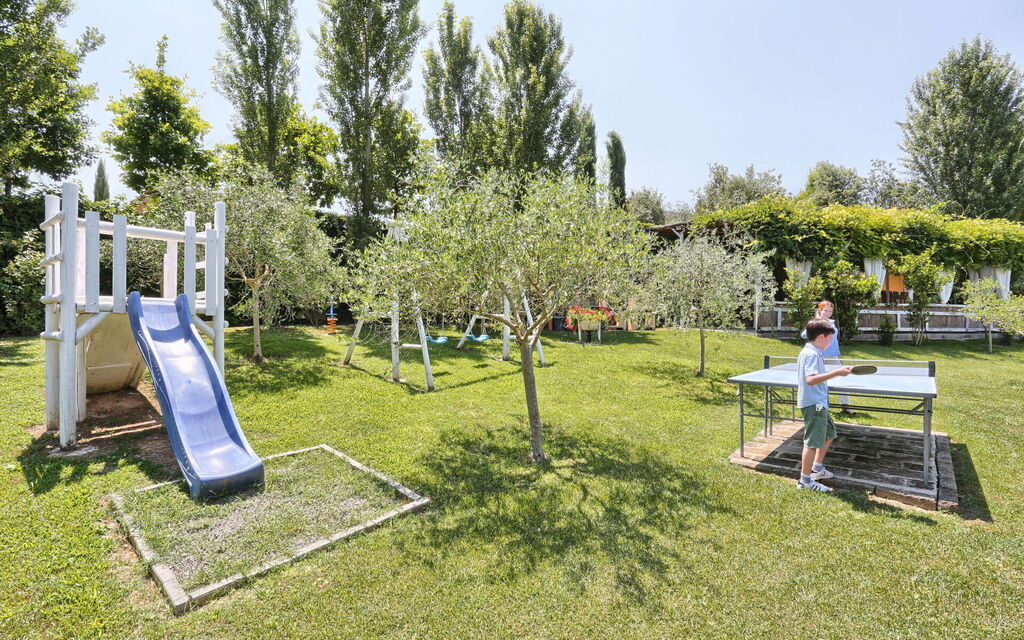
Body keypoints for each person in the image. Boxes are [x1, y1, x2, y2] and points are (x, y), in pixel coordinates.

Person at [796, 318, 853, 492]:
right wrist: (836, 372)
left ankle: (817, 468)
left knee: (829, 434)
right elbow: (811, 379)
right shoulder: (812, 354)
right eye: (830, 339)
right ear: (821, 337)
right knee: (812, 443)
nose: (830, 343)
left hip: (819, 403)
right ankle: (805, 482)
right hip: (814, 405)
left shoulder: (810, 351)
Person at [801, 299, 851, 413]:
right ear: (820, 311)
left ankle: (845, 406)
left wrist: (838, 354)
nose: (827, 313)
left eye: (830, 311)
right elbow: (804, 335)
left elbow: (834, 341)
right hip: (820, 357)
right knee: (821, 381)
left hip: (833, 356)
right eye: (825, 311)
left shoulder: (832, 323)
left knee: (843, 378)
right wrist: (818, 320)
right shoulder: (816, 322)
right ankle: (822, 405)